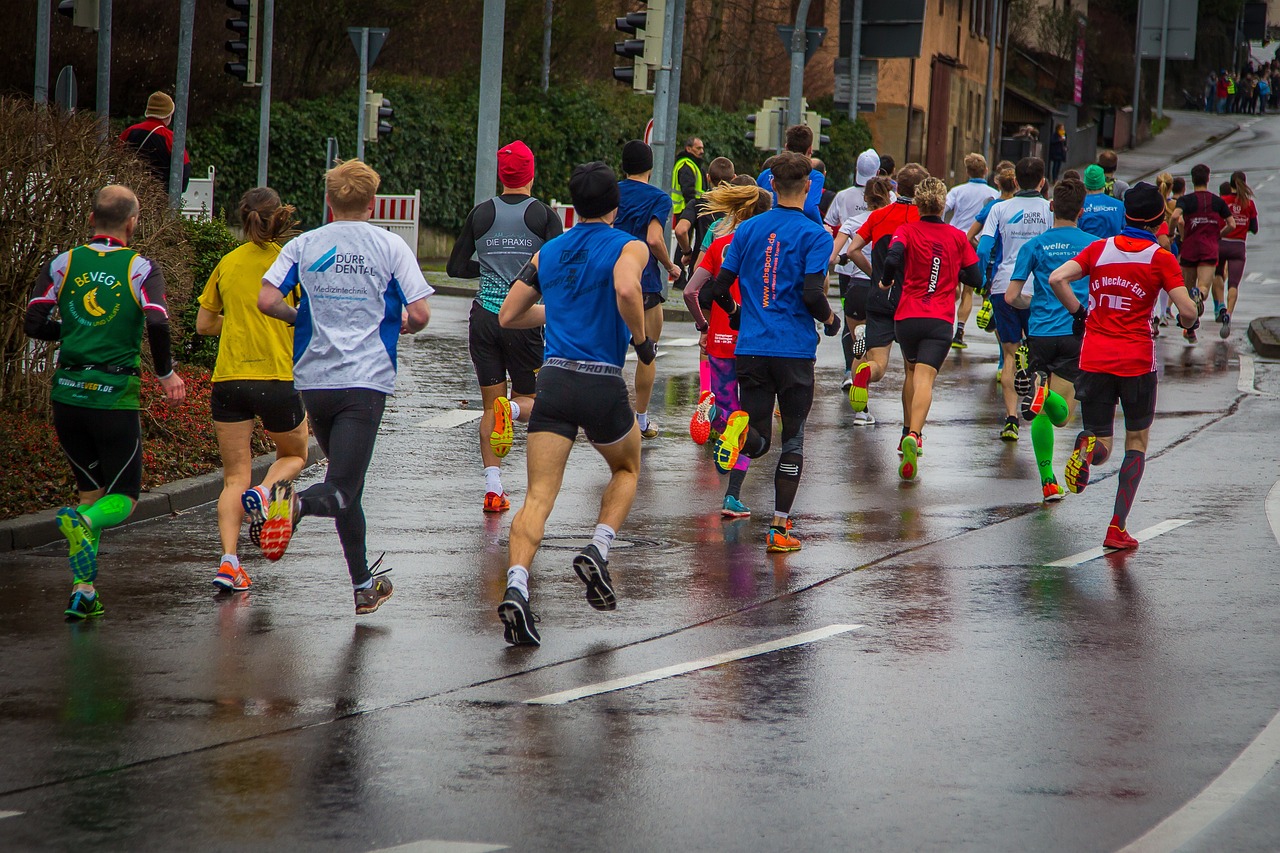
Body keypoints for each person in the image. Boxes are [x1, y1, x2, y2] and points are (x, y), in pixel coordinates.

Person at [256, 159, 433, 615]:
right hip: (364, 381)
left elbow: (267, 299)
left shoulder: (305, 244)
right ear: (372, 202)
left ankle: (362, 584)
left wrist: (300, 319)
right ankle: (290, 504)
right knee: (340, 489)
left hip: (315, 380)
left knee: (346, 484)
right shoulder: (389, 245)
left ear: (329, 202)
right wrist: (404, 325)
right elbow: (421, 313)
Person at [494, 161, 654, 647]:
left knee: (538, 496)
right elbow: (627, 288)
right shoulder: (630, 245)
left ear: (572, 205)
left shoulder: (550, 251)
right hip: (602, 382)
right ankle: (598, 548)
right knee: (626, 470)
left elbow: (508, 315)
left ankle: (518, 586)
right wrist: (642, 341)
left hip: (556, 382)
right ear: (615, 205)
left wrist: (558, 310)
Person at [24, 185, 187, 619]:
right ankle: (86, 526)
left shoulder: (64, 262)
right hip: (113, 398)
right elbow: (156, 320)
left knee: (88, 493)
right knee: (124, 497)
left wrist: (76, 335)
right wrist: (165, 372)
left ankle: (83, 591)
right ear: (132, 223)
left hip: (68, 395)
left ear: (92, 218)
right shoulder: (139, 268)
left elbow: (33, 322)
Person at [1047, 182, 1201, 550]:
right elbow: (1188, 310)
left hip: (1094, 356)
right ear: (1158, 219)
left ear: (1125, 214)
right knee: (1136, 441)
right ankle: (1116, 528)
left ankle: (1087, 450)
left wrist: (1081, 313)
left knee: (1101, 442)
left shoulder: (1100, 249)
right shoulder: (1160, 257)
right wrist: (1188, 320)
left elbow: (1057, 279)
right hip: (1135, 361)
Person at [703, 151, 838, 552]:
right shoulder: (816, 235)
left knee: (758, 437)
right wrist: (831, 321)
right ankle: (780, 530)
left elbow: (715, 288)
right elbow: (813, 294)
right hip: (794, 350)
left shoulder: (747, 230)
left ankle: (734, 431)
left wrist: (737, 314)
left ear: (772, 186)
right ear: (810, 187)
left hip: (752, 348)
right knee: (793, 440)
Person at [195, 188, 309, 592]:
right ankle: (264, 493)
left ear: (243, 218)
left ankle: (229, 563)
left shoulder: (226, 263)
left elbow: (204, 324)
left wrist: (239, 324)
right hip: (276, 377)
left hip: (228, 380)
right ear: (278, 216)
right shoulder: (290, 261)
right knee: (295, 453)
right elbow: (306, 319)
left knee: (232, 479)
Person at [446, 140, 562, 513]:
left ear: (502, 175)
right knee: (531, 401)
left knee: (488, 407)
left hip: (484, 318)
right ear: (531, 173)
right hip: (524, 320)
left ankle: (493, 490)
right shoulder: (543, 215)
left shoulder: (481, 214)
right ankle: (511, 414)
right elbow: (559, 269)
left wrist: (491, 269)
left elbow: (455, 267)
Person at [881, 177, 982, 480]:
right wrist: (952, 267)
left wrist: (887, 280)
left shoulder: (906, 230)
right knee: (926, 377)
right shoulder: (956, 237)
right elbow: (977, 278)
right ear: (943, 204)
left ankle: (903, 433)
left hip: (907, 316)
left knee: (911, 372)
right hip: (939, 319)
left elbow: (893, 256)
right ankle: (915, 433)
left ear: (917, 203)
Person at [683, 183, 773, 515]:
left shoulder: (720, 245)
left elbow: (691, 291)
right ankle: (732, 496)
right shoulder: (768, 248)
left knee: (730, 417)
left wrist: (704, 327)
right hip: (756, 343)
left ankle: (716, 415)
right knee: (751, 425)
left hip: (720, 341)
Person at [1003, 178, 1095, 503]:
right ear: (1082, 211)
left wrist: (1037, 303)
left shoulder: (1035, 246)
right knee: (1063, 416)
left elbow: (1012, 297)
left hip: (1040, 333)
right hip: (1076, 332)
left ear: (1051, 206)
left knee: (1039, 413)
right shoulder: (1094, 245)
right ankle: (1043, 394)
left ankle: (1049, 483)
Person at [843, 165, 929, 437]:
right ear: (921, 190)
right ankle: (908, 431)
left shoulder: (879, 215)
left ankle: (866, 368)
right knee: (912, 369)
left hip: (880, 294)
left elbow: (853, 250)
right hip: (912, 299)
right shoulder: (924, 218)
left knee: (879, 363)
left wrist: (875, 274)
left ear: (896, 188)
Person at [979, 157, 1052, 441]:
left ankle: (1011, 420)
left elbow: (985, 249)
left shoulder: (999, 208)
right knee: (1038, 352)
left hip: (1004, 287)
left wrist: (981, 281)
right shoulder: (1049, 209)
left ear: (1016, 181)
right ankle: (1033, 399)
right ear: (1043, 182)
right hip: (1039, 288)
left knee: (1009, 354)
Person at [615, 140, 680, 439]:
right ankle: (640, 420)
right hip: (645, 283)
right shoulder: (658, 198)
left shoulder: (611, 191)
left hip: (609, 275)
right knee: (647, 350)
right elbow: (654, 239)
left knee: (606, 349)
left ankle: (604, 414)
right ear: (650, 168)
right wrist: (670, 266)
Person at [831, 176, 893, 425]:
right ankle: (863, 409)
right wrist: (876, 274)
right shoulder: (890, 219)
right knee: (875, 355)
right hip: (880, 290)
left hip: (855, 289)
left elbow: (834, 256)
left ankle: (861, 411)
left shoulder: (854, 221)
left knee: (859, 347)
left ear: (864, 198)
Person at [1170, 163, 1235, 344]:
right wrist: (1217, 235)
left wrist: (1172, 233)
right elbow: (1232, 224)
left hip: (1190, 247)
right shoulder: (1217, 201)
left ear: (1192, 179)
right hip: (1209, 248)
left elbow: (1176, 217)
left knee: (1187, 293)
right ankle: (1200, 292)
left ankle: (1190, 330)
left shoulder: (1186, 200)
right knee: (1203, 289)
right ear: (1208, 179)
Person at [943, 153, 999, 349]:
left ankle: (947, 324)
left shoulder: (957, 191)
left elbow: (944, 207)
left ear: (967, 171)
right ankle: (959, 331)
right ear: (985, 171)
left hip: (954, 241)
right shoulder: (994, 194)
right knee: (968, 291)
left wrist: (942, 226)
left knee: (952, 287)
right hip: (976, 243)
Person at [118, 92, 191, 193]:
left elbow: (116, 157)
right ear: (168, 114)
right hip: (160, 196)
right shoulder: (171, 138)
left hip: (130, 192)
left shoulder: (129, 131)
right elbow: (184, 169)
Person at [1216, 170, 1258, 338]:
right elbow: (1254, 228)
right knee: (1233, 284)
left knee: (1218, 274)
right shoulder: (1249, 204)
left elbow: (1217, 222)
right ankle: (1229, 315)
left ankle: (1220, 305)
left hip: (1220, 243)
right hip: (1238, 247)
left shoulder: (1222, 202)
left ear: (1230, 183)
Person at [756, 125, 826, 224]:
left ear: (786, 147)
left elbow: (755, 204)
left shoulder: (765, 174)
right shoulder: (815, 176)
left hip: (766, 226)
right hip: (797, 228)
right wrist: (820, 229)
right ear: (810, 149)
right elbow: (810, 208)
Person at [1078, 165, 1126, 239]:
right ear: (1103, 182)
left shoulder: (1078, 206)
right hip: (1111, 248)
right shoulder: (1119, 206)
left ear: (1085, 184)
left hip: (1087, 248)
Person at [671, 137, 707, 217]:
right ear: (688, 149)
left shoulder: (694, 165)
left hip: (688, 210)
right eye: (698, 148)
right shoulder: (686, 165)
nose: (702, 151)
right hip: (684, 211)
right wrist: (693, 210)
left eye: (702, 148)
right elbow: (688, 191)